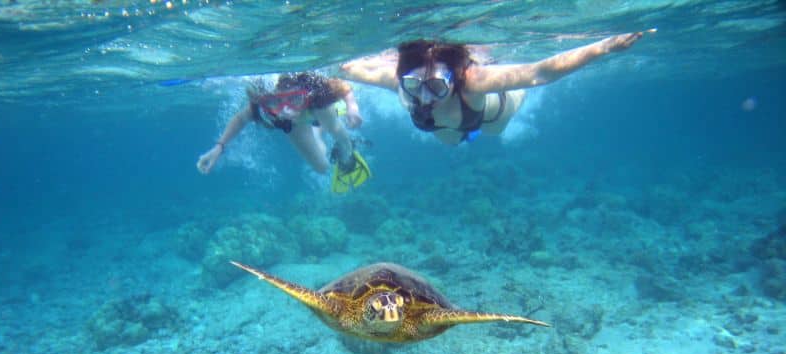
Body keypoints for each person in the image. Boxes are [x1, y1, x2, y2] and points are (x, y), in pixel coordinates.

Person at [340, 32, 652, 145]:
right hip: (445, 126)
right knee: (449, 142)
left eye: (436, 87)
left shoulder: (473, 81)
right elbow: (350, 68)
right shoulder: (397, 81)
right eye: (413, 85)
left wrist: (603, 48)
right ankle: (463, 136)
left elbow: (538, 73)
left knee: (494, 131)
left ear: (454, 78)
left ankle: (487, 122)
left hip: (488, 116)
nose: (424, 97)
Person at [197, 72, 371, 192]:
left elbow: (343, 87)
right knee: (322, 167)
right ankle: (317, 130)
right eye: (274, 103)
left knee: (339, 136)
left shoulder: (316, 94)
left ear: (304, 94)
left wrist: (352, 108)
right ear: (264, 102)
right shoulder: (260, 107)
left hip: (313, 110)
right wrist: (219, 148)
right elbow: (241, 119)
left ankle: (324, 129)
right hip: (295, 125)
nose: (285, 110)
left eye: (294, 99)